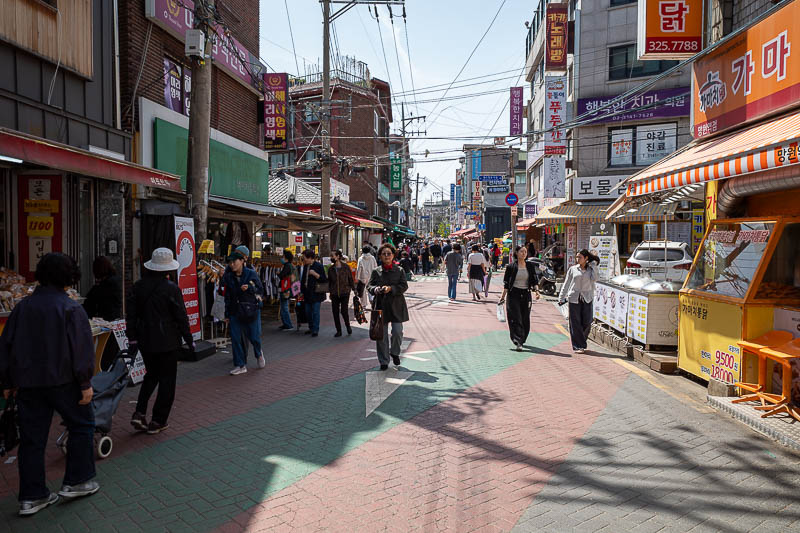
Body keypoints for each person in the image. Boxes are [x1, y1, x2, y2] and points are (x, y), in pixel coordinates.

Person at [0, 253, 99, 515]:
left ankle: (32, 496)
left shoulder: (22, 307)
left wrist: (7, 381)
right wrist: (85, 381)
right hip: (64, 381)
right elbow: (81, 350)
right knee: (82, 425)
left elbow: (6, 345)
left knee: (32, 439)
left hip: (28, 384)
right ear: (69, 277)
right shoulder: (71, 307)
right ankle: (77, 481)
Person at [127, 247, 194, 433]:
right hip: (168, 341)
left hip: (145, 340)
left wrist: (132, 338)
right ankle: (158, 420)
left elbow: (131, 315)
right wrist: (189, 340)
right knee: (167, 381)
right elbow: (181, 316)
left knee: (151, 375)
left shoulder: (138, 286)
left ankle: (139, 412)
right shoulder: (171, 289)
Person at [222, 245, 265, 375]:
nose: (232, 264)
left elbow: (260, 290)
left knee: (254, 337)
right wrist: (227, 314)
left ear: (242, 260)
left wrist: (250, 289)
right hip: (235, 311)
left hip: (251, 310)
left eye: (234, 261)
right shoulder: (228, 276)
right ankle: (240, 365)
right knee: (235, 338)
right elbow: (227, 296)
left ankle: (258, 353)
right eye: (230, 262)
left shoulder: (251, 273)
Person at [367, 244, 409, 371]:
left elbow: (404, 286)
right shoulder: (376, 271)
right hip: (381, 305)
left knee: (397, 331)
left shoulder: (399, 270)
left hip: (397, 305)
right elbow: (369, 286)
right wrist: (376, 289)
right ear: (379, 256)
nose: (386, 256)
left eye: (389, 253)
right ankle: (383, 361)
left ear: (393, 255)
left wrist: (392, 289)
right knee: (381, 335)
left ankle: (395, 352)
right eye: (384, 254)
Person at [499, 246, 541, 351]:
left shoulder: (530, 266)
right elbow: (506, 284)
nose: (524, 253)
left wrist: (536, 291)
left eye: (525, 252)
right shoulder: (511, 267)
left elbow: (534, 280)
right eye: (521, 251)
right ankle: (518, 341)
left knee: (525, 317)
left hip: (526, 294)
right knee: (515, 317)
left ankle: (522, 338)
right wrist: (502, 297)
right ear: (516, 253)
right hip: (513, 294)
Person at [559, 249, 600, 354]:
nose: (578, 259)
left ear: (586, 258)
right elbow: (567, 283)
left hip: (587, 298)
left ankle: (581, 341)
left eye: (580, 257)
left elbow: (595, 279)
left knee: (587, 321)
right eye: (577, 257)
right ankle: (578, 345)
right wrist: (561, 297)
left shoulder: (591, 270)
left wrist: (594, 265)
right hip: (574, 298)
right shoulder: (573, 269)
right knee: (575, 322)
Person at [83, 256, 122, 321]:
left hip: (106, 319)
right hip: (113, 317)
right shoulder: (113, 280)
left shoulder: (107, 283)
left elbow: (93, 298)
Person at [328, 249, 355, 337]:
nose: (331, 257)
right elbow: (330, 282)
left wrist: (354, 289)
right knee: (335, 312)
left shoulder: (346, 267)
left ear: (338, 256)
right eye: (331, 256)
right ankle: (338, 330)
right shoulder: (331, 269)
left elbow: (350, 278)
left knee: (344, 311)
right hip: (334, 293)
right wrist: (330, 292)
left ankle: (348, 326)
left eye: (332, 256)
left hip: (345, 292)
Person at [301, 249, 327, 337]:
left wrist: (315, 274)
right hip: (307, 293)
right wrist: (301, 291)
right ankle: (311, 327)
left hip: (316, 293)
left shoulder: (318, 266)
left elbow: (324, 279)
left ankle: (315, 329)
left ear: (310, 258)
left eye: (304, 258)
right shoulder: (305, 266)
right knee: (308, 312)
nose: (303, 259)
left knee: (315, 312)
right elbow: (303, 279)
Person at [277, 249, 297, 330]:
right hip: (288, 288)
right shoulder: (291, 265)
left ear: (286, 258)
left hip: (286, 288)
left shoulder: (287, 266)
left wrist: (279, 274)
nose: (282, 258)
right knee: (284, 306)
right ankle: (285, 323)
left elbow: (282, 275)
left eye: (283, 257)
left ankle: (288, 324)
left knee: (284, 306)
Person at [356, 245, 377, 310]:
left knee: (363, 291)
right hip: (371, 276)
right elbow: (376, 267)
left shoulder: (361, 258)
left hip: (363, 277)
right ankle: (372, 301)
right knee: (371, 289)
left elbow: (359, 269)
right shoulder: (372, 258)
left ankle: (364, 304)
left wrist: (357, 277)